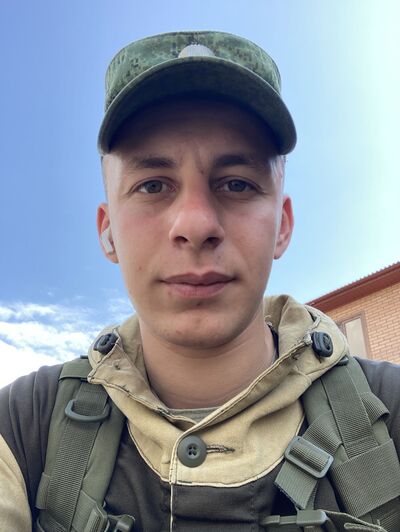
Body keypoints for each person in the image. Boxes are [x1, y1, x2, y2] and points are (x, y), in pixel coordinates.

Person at [1, 30, 400, 532]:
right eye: (152, 185)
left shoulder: (389, 411)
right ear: (108, 232)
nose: (195, 224)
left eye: (236, 184)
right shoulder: (21, 427)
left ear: (283, 225)